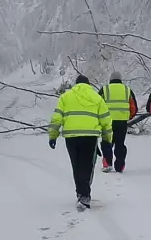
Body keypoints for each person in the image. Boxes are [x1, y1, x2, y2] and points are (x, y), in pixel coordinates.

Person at [48, 75, 113, 210]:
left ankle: (80, 192)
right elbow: (106, 120)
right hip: (90, 136)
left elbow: (57, 117)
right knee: (87, 166)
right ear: (88, 84)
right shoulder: (96, 97)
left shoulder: (66, 97)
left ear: (76, 84)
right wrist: (107, 139)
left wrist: (53, 135)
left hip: (71, 137)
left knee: (76, 165)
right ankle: (85, 195)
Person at [98, 71, 138, 173]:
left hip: (107, 122)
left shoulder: (105, 89)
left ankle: (107, 164)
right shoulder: (127, 90)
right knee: (120, 144)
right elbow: (134, 107)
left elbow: (97, 105)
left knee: (107, 143)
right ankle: (120, 166)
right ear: (121, 80)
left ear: (110, 80)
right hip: (121, 122)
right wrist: (128, 116)